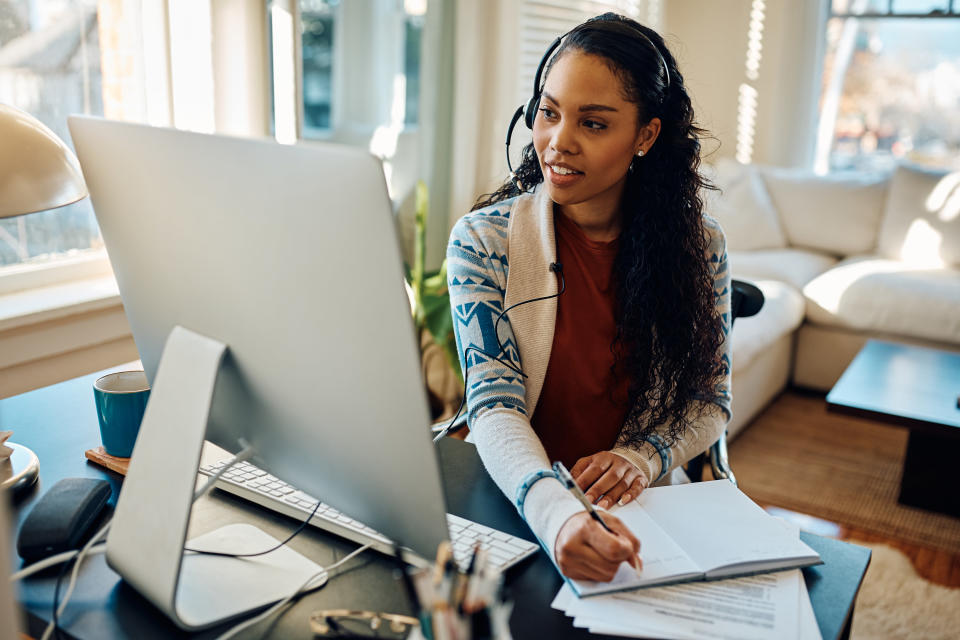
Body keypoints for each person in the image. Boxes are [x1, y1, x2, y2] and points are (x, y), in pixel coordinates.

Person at [446, 13, 731, 582]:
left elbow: (708, 399)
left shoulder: (701, 248)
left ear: (645, 136)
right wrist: (556, 515)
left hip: (637, 510)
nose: (558, 142)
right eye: (548, 113)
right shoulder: (484, 241)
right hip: (515, 497)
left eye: (593, 124)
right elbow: (494, 404)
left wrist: (640, 458)